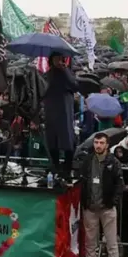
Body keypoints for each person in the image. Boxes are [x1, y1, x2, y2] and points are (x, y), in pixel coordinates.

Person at [78, 131, 124, 257]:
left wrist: (113, 202)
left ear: (107, 145)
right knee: (90, 240)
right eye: (96, 143)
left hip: (107, 208)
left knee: (111, 241)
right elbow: (83, 180)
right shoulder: (87, 161)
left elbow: (119, 184)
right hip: (90, 207)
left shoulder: (114, 162)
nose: (98, 145)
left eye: (101, 143)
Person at [42, 52, 78, 180]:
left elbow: (75, 86)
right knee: (52, 141)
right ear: (51, 60)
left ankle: (67, 169)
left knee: (67, 140)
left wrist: (66, 70)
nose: (58, 61)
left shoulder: (66, 72)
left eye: (60, 58)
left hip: (64, 111)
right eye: (55, 59)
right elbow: (42, 90)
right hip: (51, 110)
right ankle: (55, 167)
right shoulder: (47, 75)